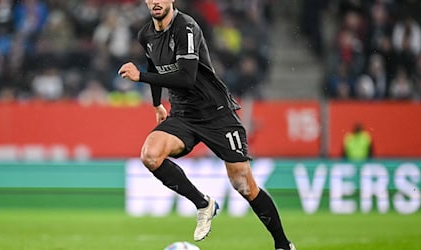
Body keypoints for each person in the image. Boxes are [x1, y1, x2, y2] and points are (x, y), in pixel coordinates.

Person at [118, 1, 296, 249]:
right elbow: (153, 65)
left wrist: (140, 78)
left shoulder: (186, 27)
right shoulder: (145, 34)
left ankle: (283, 244)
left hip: (216, 112)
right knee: (150, 155)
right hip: (183, 114)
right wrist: (157, 104)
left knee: (243, 184)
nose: (156, 2)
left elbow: (186, 78)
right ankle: (203, 203)